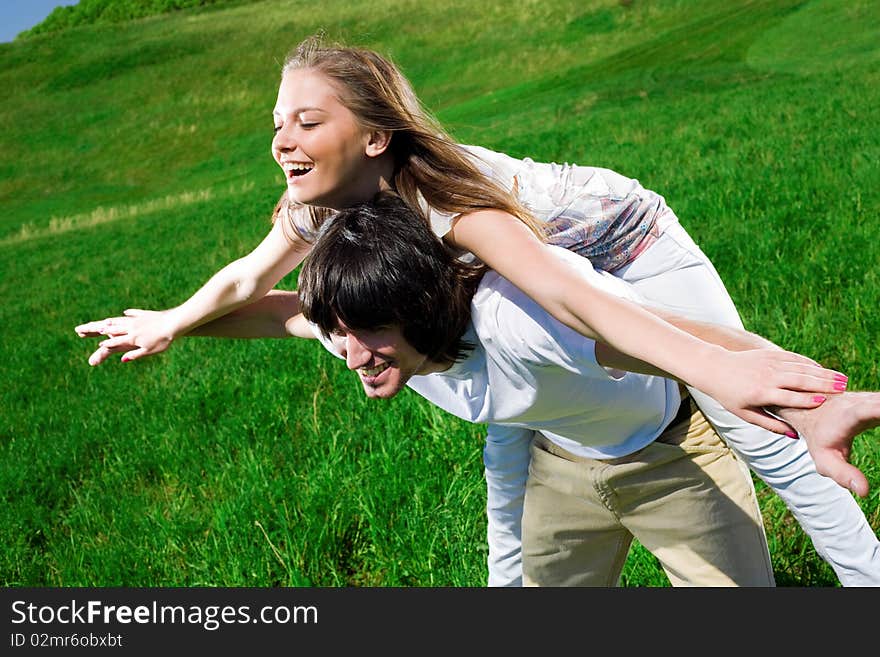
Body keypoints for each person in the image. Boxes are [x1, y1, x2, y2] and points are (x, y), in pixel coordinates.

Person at [74, 36, 878, 585]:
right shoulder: (317, 209)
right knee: (509, 405)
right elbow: (248, 282)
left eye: (307, 121)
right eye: (277, 122)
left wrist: (722, 368)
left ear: (378, 135)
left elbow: (573, 295)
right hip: (512, 308)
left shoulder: (446, 199)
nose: (283, 139)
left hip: (625, 250)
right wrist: (171, 320)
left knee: (754, 425)